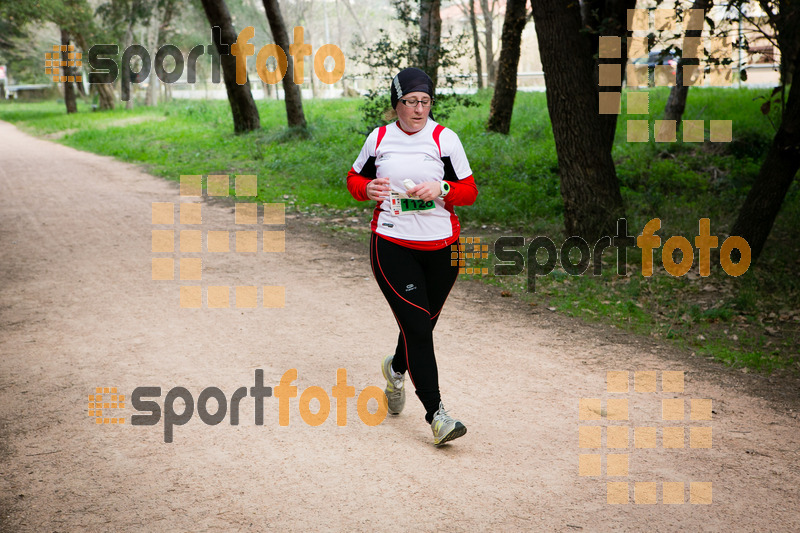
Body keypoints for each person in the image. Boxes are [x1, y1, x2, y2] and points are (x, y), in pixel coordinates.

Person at [346, 67, 478, 445]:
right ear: (396, 104)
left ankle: (395, 367)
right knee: (418, 328)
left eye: (425, 102)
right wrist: (366, 188)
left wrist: (443, 187)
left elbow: (469, 191)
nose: (419, 110)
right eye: (410, 102)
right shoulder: (379, 138)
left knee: (421, 325)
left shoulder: (444, 139)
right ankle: (437, 415)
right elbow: (355, 178)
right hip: (392, 244)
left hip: (443, 249)